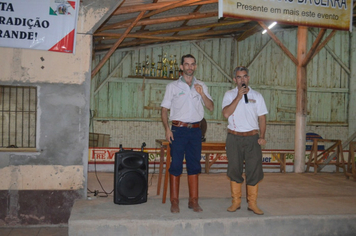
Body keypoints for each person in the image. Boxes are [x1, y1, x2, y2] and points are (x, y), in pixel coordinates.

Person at [161, 54, 214, 213]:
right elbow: (164, 110)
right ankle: (175, 201)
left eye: (192, 64)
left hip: (196, 131)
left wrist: (202, 94)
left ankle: (194, 201)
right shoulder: (172, 87)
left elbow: (211, 107)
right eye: (186, 64)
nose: (190, 67)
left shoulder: (202, 85)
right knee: (176, 165)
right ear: (181, 67)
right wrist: (167, 129)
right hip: (178, 130)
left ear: (195, 67)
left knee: (194, 165)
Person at [222, 66, 268, 215]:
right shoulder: (229, 95)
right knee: (235, 169)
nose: (242, 80)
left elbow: (262, 117)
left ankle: (252, 203)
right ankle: (236, 202)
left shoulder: (258, 96)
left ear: (248, 78)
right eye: (239, 77)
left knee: (254, 170)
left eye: (245, 77)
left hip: (252, 138)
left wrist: (262, 136)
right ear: (235, 80)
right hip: (234, 137)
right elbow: (226, 114)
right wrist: (238, 97)